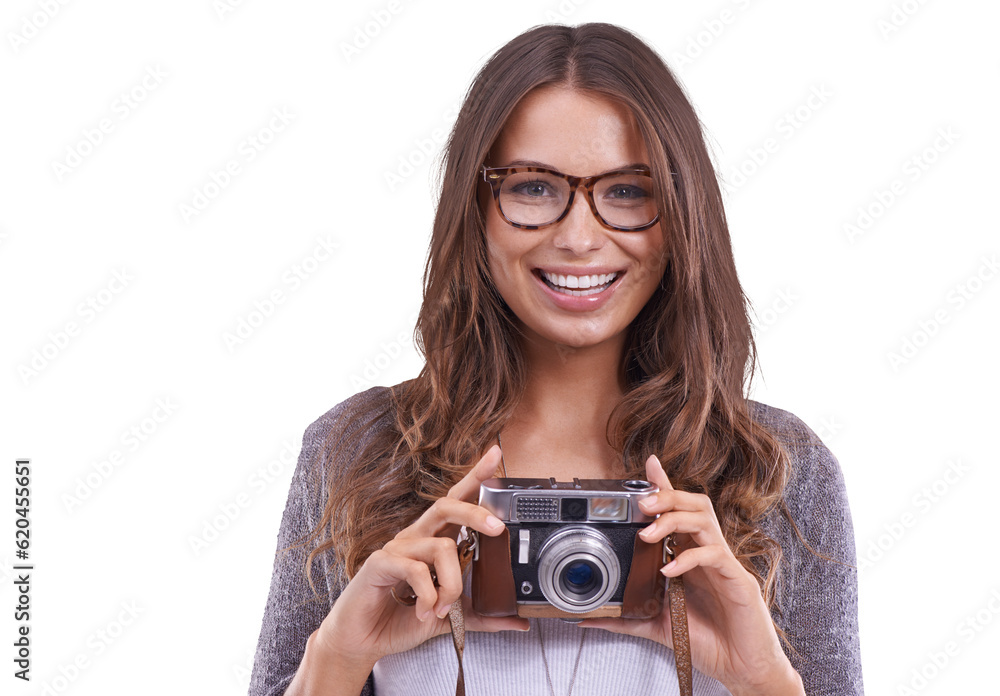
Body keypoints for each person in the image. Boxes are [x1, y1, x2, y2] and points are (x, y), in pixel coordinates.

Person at [249, 22, 862, 696]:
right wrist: (337, 658)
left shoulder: (778, 470)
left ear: (681, 212)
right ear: (475, 208)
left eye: (628, 191)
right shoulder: (358, 452)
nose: (577, 237)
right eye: (533, 188)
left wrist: (761, 681)